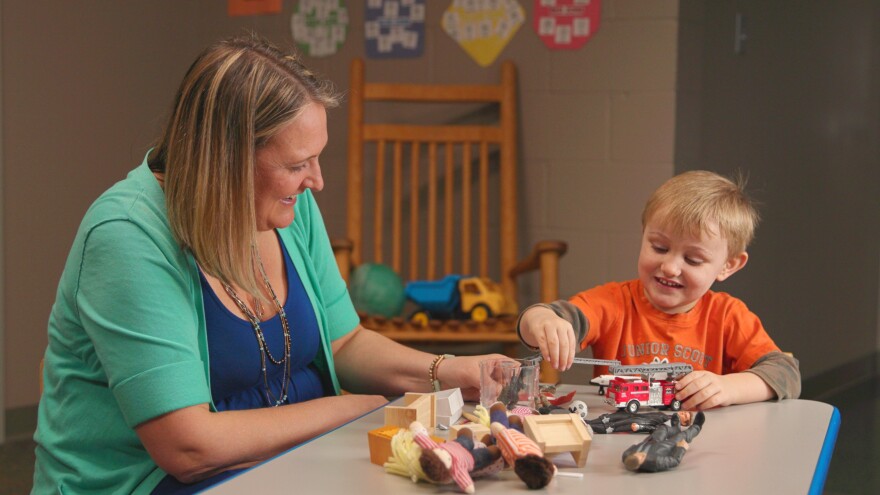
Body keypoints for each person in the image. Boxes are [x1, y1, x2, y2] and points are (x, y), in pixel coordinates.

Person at [32, 33, 507, 495]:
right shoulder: (127, 236)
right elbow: (188, 447)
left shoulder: (285, 207)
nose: (316, 181)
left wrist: (450, 369)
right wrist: (351, 412)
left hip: (294, 459)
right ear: (227, 159)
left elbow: (344, 343)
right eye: (299, 163)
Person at [517, 171, 801, 411]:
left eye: (693, 259)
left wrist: (728, 387)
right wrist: (543, 322)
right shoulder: (613, 303)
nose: (669, 267)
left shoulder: (728, 316)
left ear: (728, 265)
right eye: (659, 247)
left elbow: (785, 373)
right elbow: (543, 319)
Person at [621, 411, 706, 472]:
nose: (641, 454)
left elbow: (632, 447)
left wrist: (637, 446)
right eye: (642, 458)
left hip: (651, 441)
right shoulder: (655, 463)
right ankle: (697, 427)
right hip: (664, 448)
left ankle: (675, 427)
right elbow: (674, 461)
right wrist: (681, 448)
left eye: (637, 454)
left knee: (662, 428)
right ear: (640, 464)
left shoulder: (626, 455)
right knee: (682, 436)